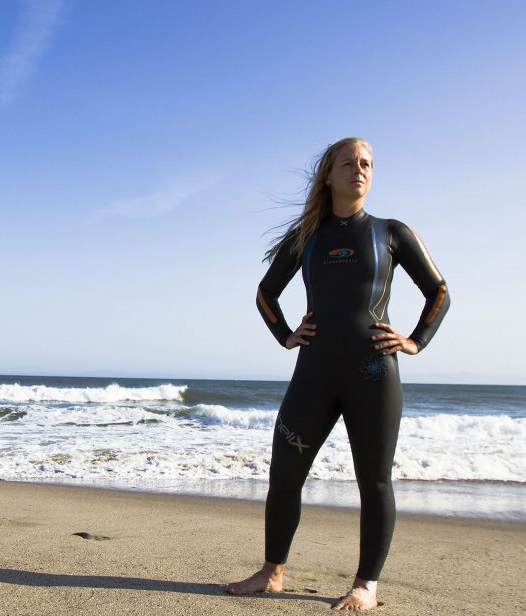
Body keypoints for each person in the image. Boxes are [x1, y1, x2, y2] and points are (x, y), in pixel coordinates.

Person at [226, 138, 449, 611]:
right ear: (328, 175)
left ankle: (366, 585)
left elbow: (439, 292)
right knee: (284, 476)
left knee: (375, 481)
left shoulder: (391, 232)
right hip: (315, 373)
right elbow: (266, 293)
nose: (359, 169)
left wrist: (414, 341)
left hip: (373, 374)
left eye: (366, 163)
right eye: (349, 163)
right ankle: (272, 573)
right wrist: (286, 335)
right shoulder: (307, 236)